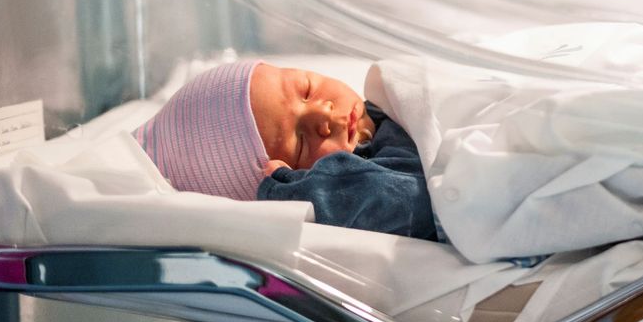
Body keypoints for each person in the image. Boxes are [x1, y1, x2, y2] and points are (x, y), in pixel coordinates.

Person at [133, 60, 438, 240]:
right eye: (301, 141)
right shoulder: (379, 168)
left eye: (307, 90)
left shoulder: (391, 108)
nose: (324, 114)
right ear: (295, 177)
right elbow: (414, 202)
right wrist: (307, 194)